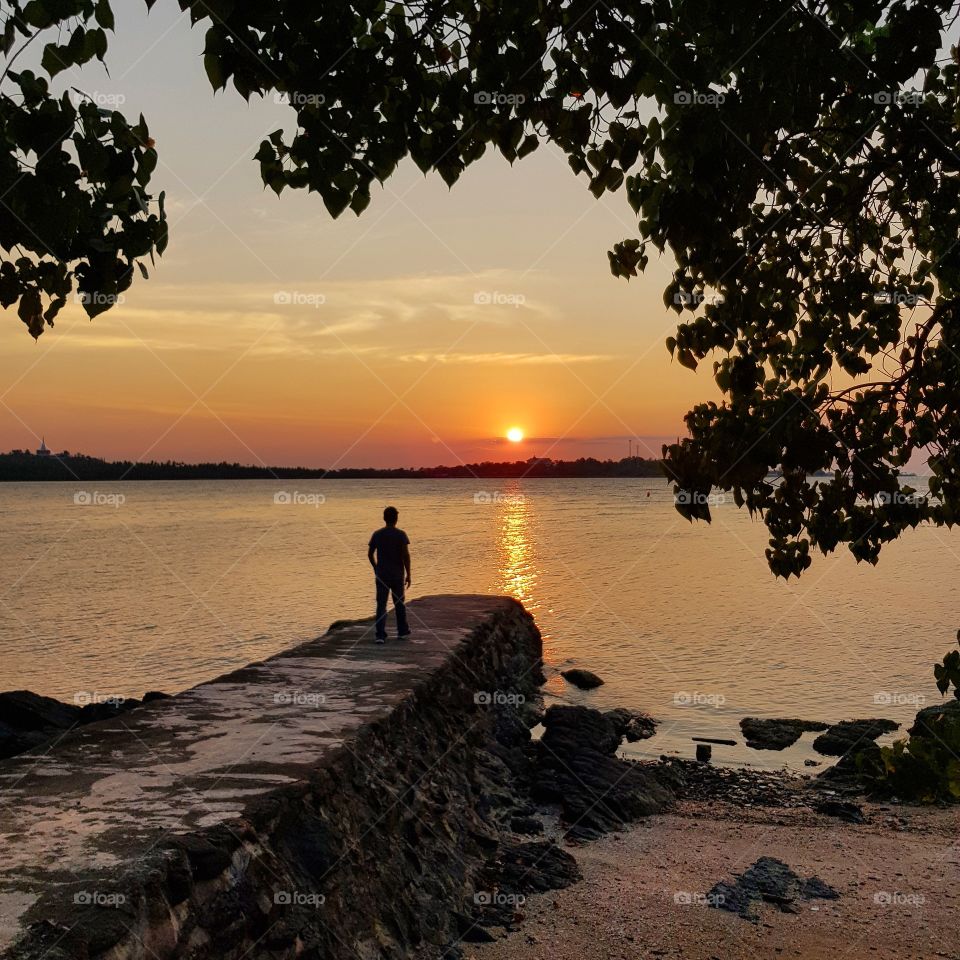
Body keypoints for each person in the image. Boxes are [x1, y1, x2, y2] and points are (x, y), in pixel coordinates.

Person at [367, 505, 411, 643]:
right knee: (399, 604)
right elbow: (405, 556)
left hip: (382, 575)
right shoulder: (401, 535)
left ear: (384, 518)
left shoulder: (377, 534)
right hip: (397, 574)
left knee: (381, 605)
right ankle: (402, 632)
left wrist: (375, 567)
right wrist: (409, 574)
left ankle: (380, 635)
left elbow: (370, 554)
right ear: (396, 519)